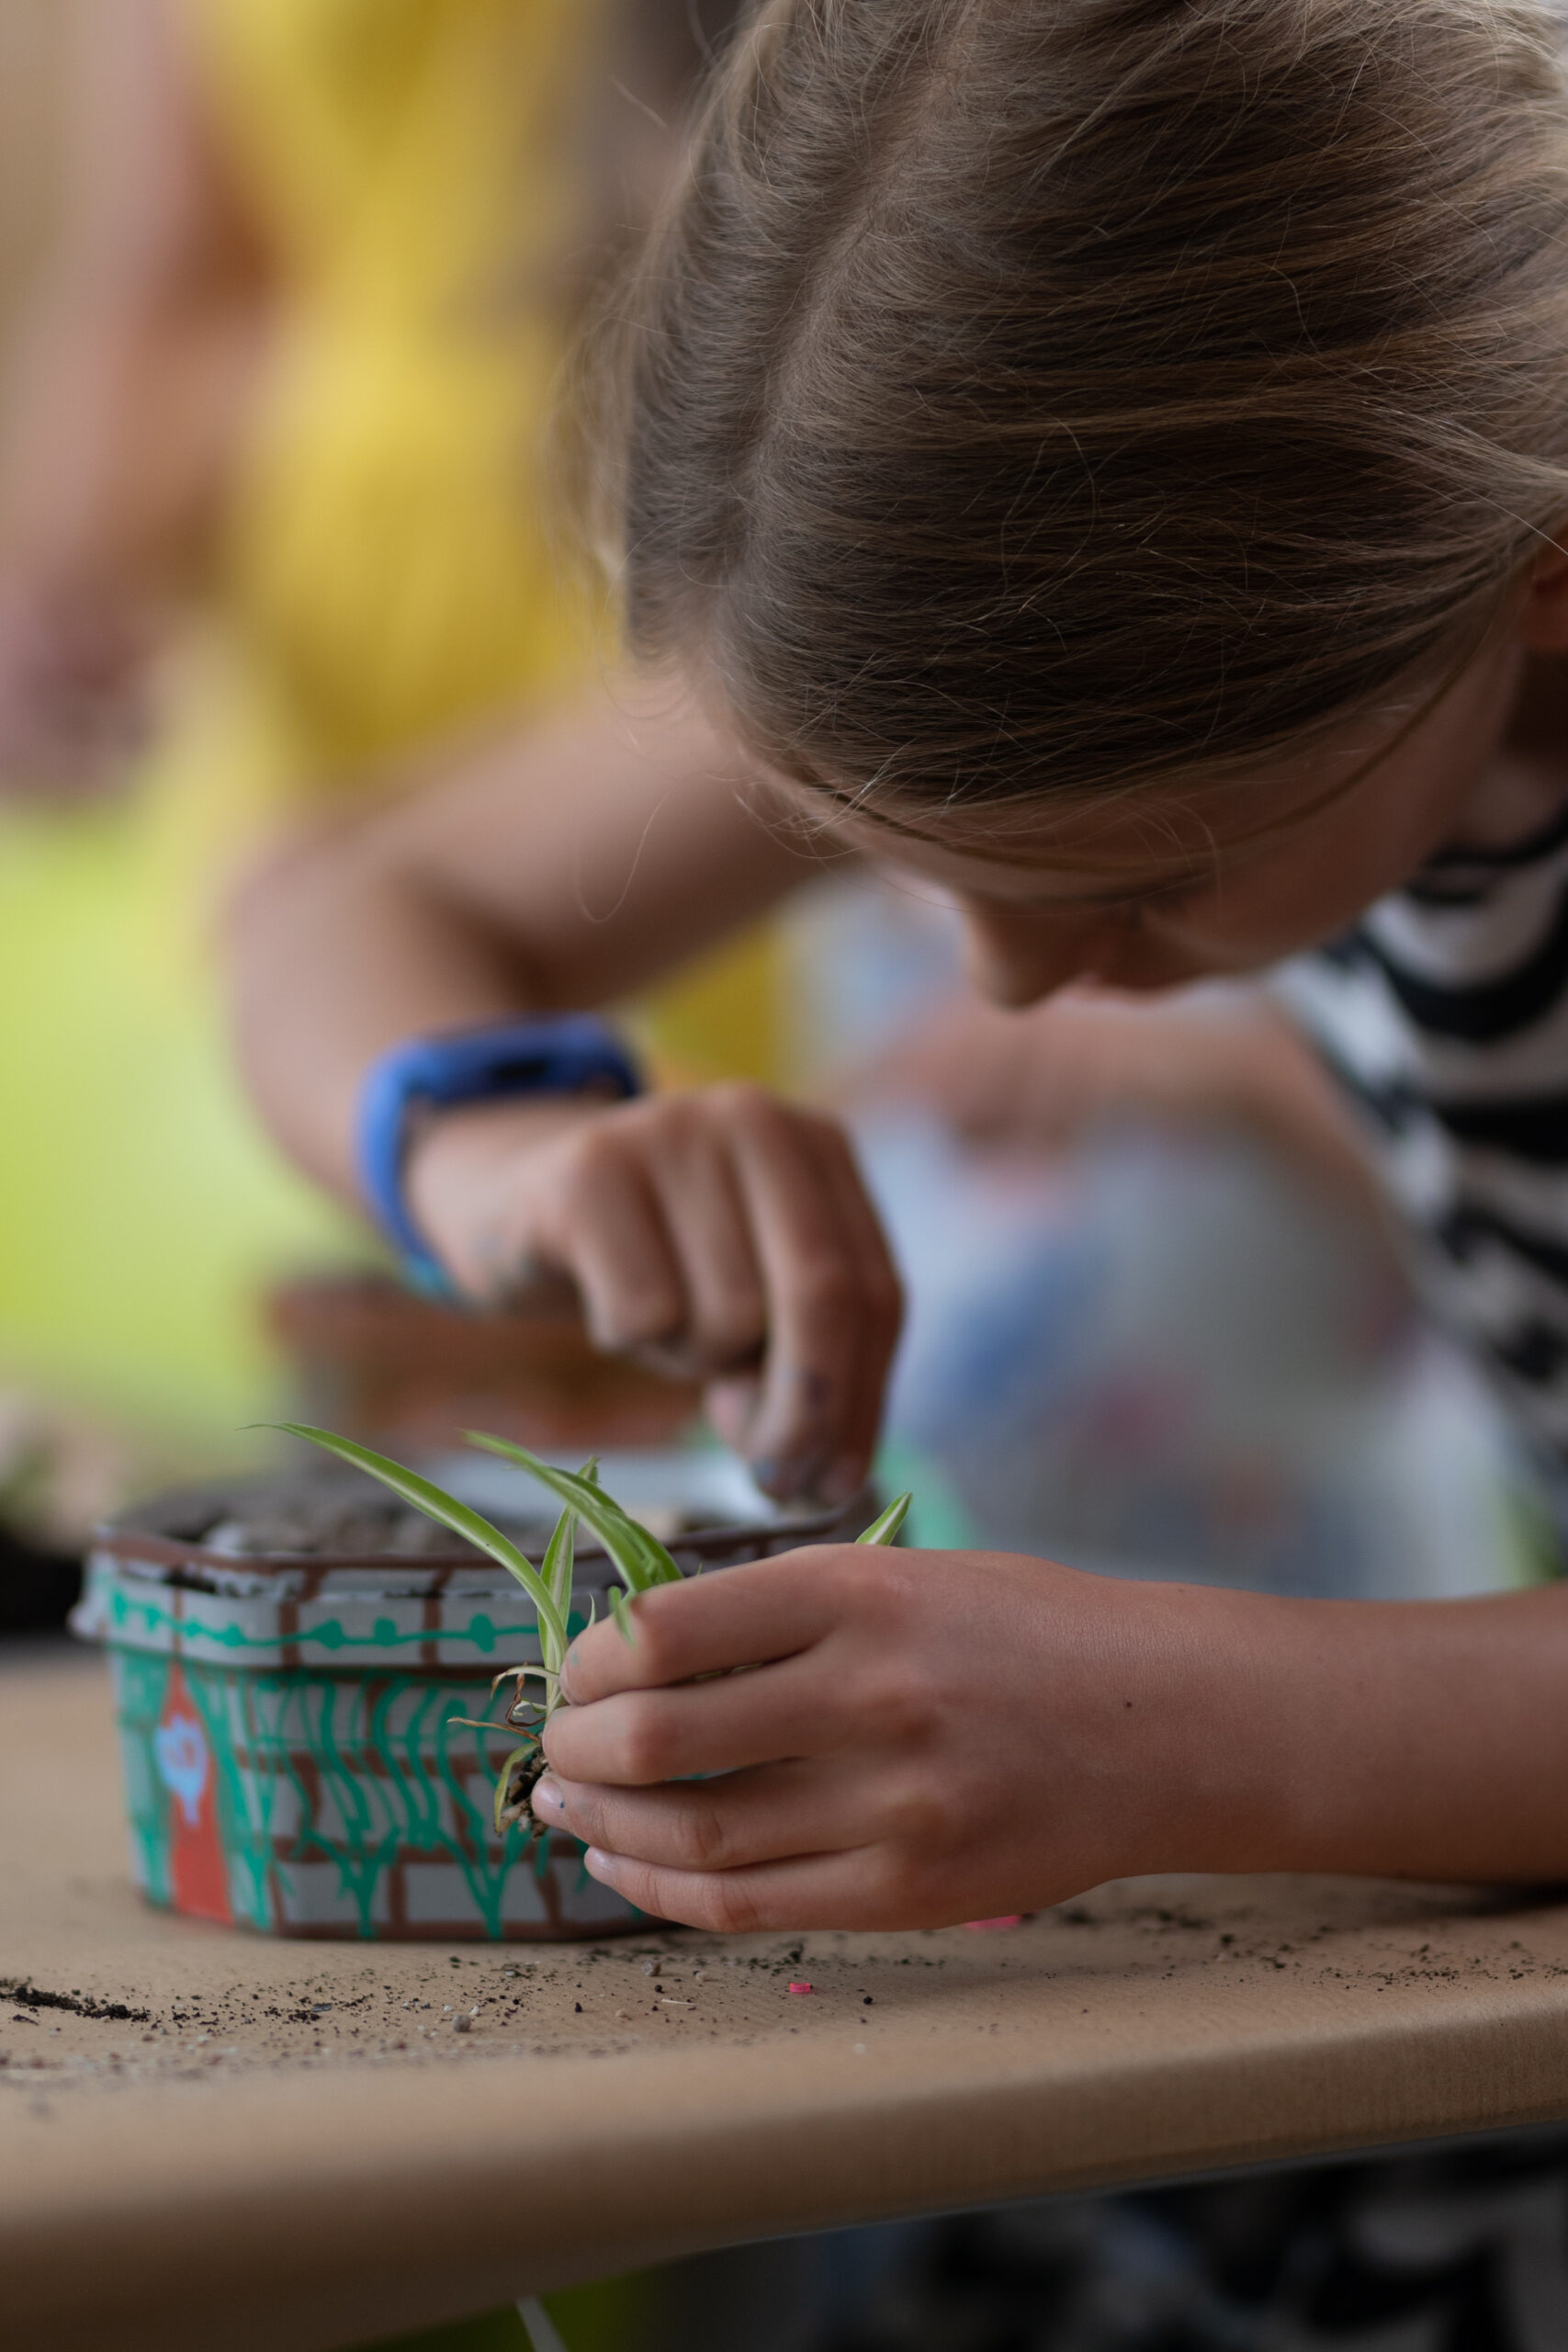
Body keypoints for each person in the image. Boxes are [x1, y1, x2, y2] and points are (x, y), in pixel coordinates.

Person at [231, 4, 1568, 2335]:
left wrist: (1177, 1727)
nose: (1008, 979)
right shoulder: (1151, 609)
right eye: (875, 855)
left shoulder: (1339, 545)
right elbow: (339, 913)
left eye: (1140, 883)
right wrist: (513, 1152)